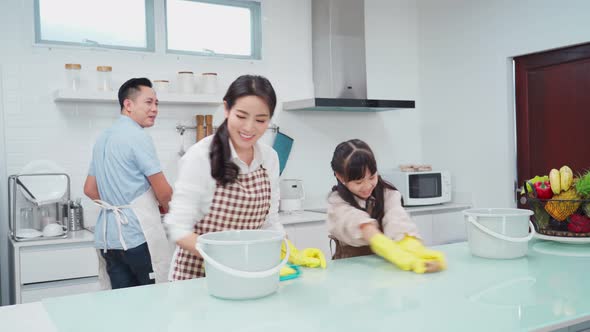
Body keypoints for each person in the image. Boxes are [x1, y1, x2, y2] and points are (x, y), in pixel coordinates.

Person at [165, 74, 325, 280]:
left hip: (248, 273)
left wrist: (291, 252)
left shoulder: (269, 158)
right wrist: (227, 255)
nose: (249, 127)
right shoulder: (200, 156)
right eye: (241, 116)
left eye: (260, 120)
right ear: (226, 109)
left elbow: (269, 222)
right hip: (196, 277)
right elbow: (178, 228)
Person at [83, 78, 173, 289]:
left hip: (109, 239)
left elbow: (89, 189)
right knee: (154, 300)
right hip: (137, 237)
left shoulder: (103, 138)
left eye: (157, 103)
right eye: (149, 102)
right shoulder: (138, 136)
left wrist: (117, 203)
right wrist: (172, 214)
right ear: (128, 104)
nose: (154, 109)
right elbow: (164, 192)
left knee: (123, 306)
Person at [327, 139, 446, 273]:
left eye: (372, 177)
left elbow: (397, 218)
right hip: (350, 271)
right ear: (340, 177)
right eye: (359, 182)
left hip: (382, 268)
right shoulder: (337, 202)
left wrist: (414, 248)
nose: (367, 186)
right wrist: (392, 251)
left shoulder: (387, 194)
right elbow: (361, 225)